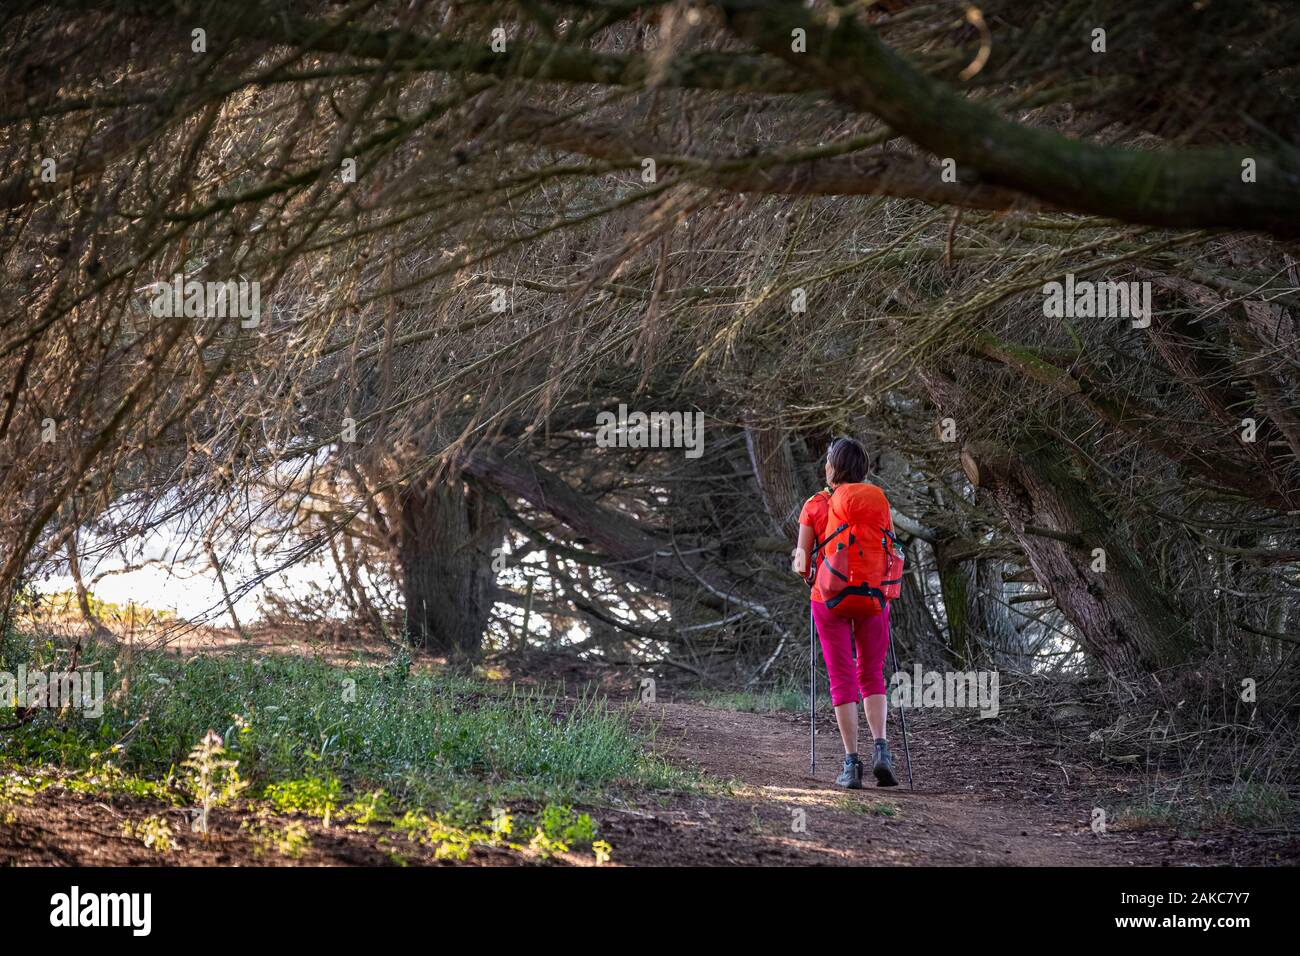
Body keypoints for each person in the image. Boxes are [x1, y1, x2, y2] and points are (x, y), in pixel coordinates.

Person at [792, 437, 898, 789]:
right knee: (872, 672)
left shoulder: (815, 505)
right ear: (863, 467)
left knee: (842, 678)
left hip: (829, 598)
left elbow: (801, 562)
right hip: (873, 597)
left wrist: (809, 574)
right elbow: (891, 550)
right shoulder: (878, 501)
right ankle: (882, 749)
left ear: (831, 468)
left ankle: (852, 764)